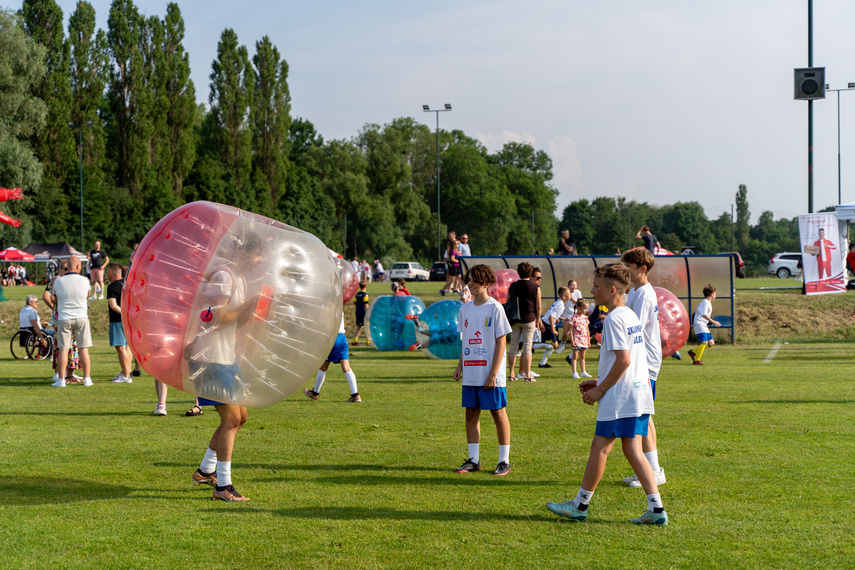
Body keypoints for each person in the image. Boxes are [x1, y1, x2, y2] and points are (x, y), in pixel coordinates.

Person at [546, 262, 666, 525]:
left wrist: (601, 389)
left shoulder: (613, 319)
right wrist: (599, 380)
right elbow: (627, 361)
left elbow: (624, 360)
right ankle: (657, 510)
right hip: (637, 392)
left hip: (620, 397)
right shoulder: (630, 315)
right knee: (632, 450)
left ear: (612, 290)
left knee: (600, 448)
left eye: (596, 286)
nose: (591, 291)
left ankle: (580, 506)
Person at [189, 232, 265, 502]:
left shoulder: (240, 280)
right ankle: (223, 487)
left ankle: (204, 471)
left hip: (226, 356)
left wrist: (253, 308)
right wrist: (248, 304)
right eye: (258, 254)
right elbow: (218, 318)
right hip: (209, 358)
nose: (260, 260)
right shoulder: (224, 277)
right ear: (243, 253)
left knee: (240, 418)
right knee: (231, 419)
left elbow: (236, 322)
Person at [452, 264, 513, 476]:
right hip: (471, 372)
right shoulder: (465, 309)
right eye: (468, 279)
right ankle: (473, 460)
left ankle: (504, 461)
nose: (470, 283)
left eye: (475, 280)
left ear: (487, 283)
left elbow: (502, 342)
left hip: (491, 374)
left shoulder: (495, 308)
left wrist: (493, 374)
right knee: (471, 414)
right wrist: (460, 365)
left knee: (498, 413)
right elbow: (466, 340)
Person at [621, 248, 667, 488]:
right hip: (642, 360)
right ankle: (647, 469)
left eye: (629, 267)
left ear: (642, 269)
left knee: (643, 416)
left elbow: (634, 329)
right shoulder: (636, 292)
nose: (626, 271)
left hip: (645, 362)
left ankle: (654, 471)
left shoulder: (644, 294)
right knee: (643, 416)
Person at [51, 256, 93, 387]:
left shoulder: (58, 281)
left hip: (64, 318)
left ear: (67, 266)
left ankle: (61, 380)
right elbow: (87, 295)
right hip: (81, 317)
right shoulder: (85, 280)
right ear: (78, 266)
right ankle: (87, 379)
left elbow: (53, 299)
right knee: (83, 349)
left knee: (63, 350)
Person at [304, 315, 362, 403]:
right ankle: (355, 395)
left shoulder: (329, 309)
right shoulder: (339, 308)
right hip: (342, 338)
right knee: (346, 367)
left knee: (323, 366)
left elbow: (325, 325)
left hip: (332, 338)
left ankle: (315, 394)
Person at [506, 262, 543, 381]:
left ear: (518, 272)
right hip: (529, 319)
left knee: (513, 347)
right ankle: (527, 375)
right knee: (527, 348)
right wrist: (538, 319)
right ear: (530, 273)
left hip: (515, 319)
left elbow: (507, 302)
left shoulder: (512, 286)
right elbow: (538, 306)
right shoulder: (535, 288)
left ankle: (511, 374)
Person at [105, 263, 136, 387]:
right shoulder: (128, 284)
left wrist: (124, 313)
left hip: (117, 320)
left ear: (111, 273)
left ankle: (126, 376)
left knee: (121, 348)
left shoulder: (112, 286)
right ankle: (126, 372)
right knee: (127, 347)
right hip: (129, 321)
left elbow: (113, 305)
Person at [537, 286, 570, 369]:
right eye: (569, 294)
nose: (570, 295)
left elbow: (553, 314)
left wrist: (561, 318)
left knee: (553, 345)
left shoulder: (559, 303)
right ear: (564, 296)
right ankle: (532, 346)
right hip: (547, 325)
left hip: (547, 324)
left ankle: (542, 363)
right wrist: (553, 329)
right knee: (554, 345)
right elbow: (551, 317)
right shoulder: (560, 304)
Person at [688, 284, 720, 366]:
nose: (715, 296)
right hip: (700, 324)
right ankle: (697, 360)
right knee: (704, 342)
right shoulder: (705, 302)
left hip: (703, 325)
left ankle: (693, 352)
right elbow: (703, 314)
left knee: (711, 343)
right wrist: (713, 321)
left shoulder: (707, 303)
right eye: (715, 294)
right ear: (712, 294)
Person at [557, 279, 584, 353]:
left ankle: (577, 346)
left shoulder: (578, 292)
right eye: (572, 285)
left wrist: (573, 300)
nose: (574, 287)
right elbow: (561, 304)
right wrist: (558, 316)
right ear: (568, 286)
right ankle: (562, 345)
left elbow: (581, 303)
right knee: (566, 332)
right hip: (566, 315)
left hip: (575, 315)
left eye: (575, 285)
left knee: (576, 332)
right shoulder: (565, 293)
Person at [567, 299, 591, 379]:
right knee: (575, 356)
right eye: (585, 309)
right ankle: (574, 372)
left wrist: (588, 340)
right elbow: (570, 330)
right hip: (576, 339)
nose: (586, 310)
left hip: (584, 339)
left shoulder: (585, 318)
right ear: (579, 308)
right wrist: (572, 340)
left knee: (582, 356)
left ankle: (583, 371)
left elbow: (587, 330)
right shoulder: (573, 318)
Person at [352, 280, 370, 346]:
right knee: (367, 327)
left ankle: (354, 341)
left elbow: (355, 303)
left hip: (357, 312)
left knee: (358, 326)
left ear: (359, 287)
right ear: (366, 286)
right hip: (363, 313)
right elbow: (366, 304)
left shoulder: (357, 294)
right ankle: (368, 342)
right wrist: (368, 312)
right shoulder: (365, 295)